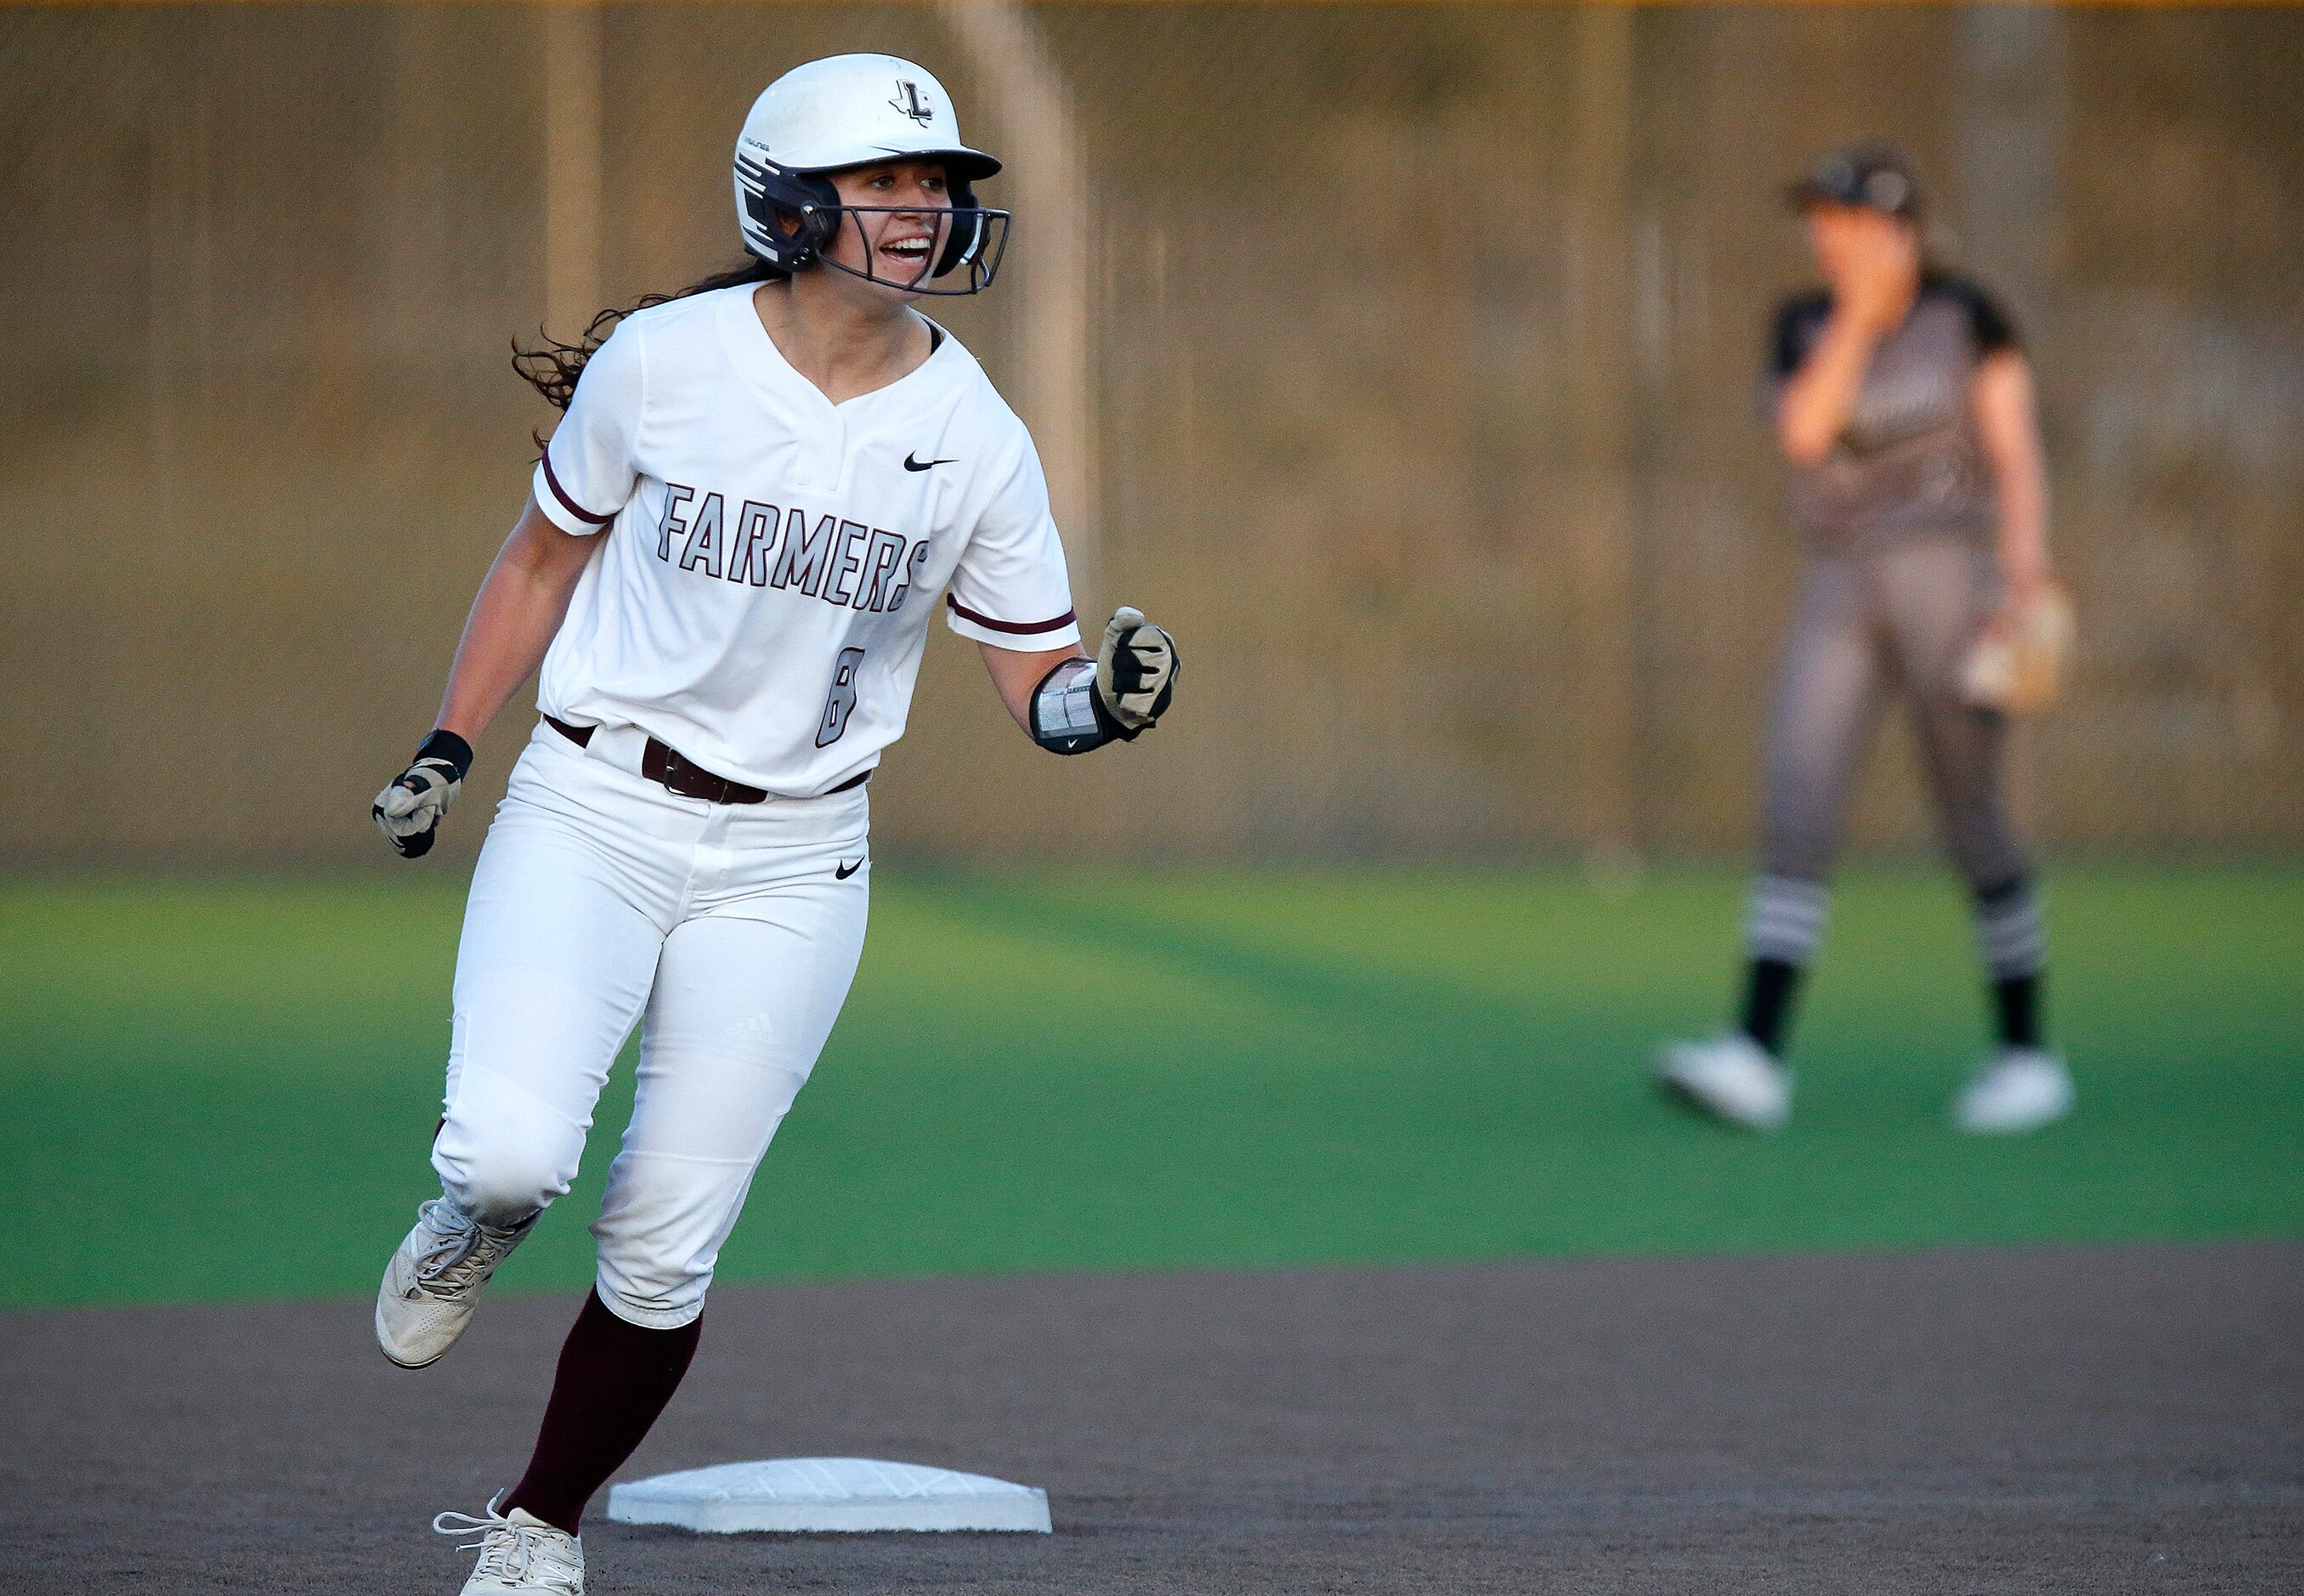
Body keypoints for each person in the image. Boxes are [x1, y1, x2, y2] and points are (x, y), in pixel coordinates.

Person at [368, 54, 1179, 1594]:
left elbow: (1031, 672)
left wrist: (1099, 703)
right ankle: (466, 1217)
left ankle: (536, 1525)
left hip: (797, 858)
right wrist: (450, 737)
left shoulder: (975, 430)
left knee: (668, 1240)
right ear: (790, 203)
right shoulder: (665, 363)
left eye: (937, 186)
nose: (923, 211)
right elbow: (539, 560)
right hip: (596, 800)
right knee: (512, 1154)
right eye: (885, 183)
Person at [1656, 144, 2072, 1136]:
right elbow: (1804, 434)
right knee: (1795, 802)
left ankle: (2024, 1055)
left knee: (1971, 817)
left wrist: (2025, 575)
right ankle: (1754, 1055)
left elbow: (2014, 454)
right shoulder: (1802, 320)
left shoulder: (1966, 316)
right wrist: (1854, 315)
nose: (1824, 234)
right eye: (1818, 218)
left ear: (1896, 228)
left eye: (1844, 218)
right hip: (1839, 581)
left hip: (1947, 576)